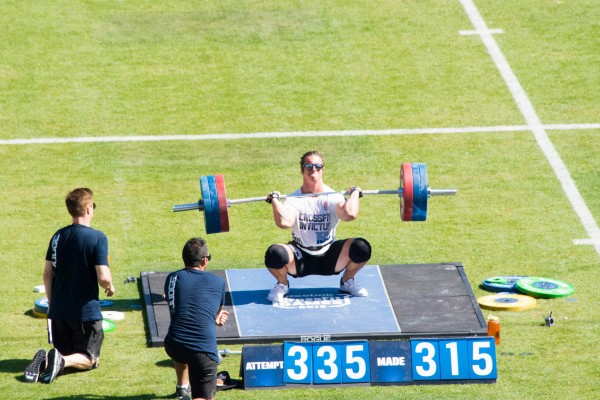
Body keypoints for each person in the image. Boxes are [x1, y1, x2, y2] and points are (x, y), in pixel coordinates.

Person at [24, 188, 115, 384]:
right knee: (91, 360)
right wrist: (110, 285)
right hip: (85, 314)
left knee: (67, 352)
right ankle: (59, 360)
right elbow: (103, 276)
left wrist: (51, 304)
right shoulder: (97, 237)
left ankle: (47, 360)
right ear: (89, 208)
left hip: (59, 314)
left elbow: (48, 273)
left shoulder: (58, 236)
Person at [264, 150, 372, 302]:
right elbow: (283, 223)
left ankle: (347, 281)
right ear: (302, 169)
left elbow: (349, 214)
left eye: (317, 166)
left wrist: (355, 192)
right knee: (274, 254)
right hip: (300, 256)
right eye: (309, 166)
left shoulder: (333, 196)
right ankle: (282, 284)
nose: (313, 169)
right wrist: (275, 200)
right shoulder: (294, 199)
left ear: (322, 169)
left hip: (330, 256)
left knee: (362, 248)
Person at [164, 238, 229, 400]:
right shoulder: (218, 282)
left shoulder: (172, 278)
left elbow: (179, 308)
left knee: (183, 344)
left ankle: (181, 388)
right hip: (202, 352)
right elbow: (216, 315)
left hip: (173, 344)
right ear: (204, 260)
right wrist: (216, 320)